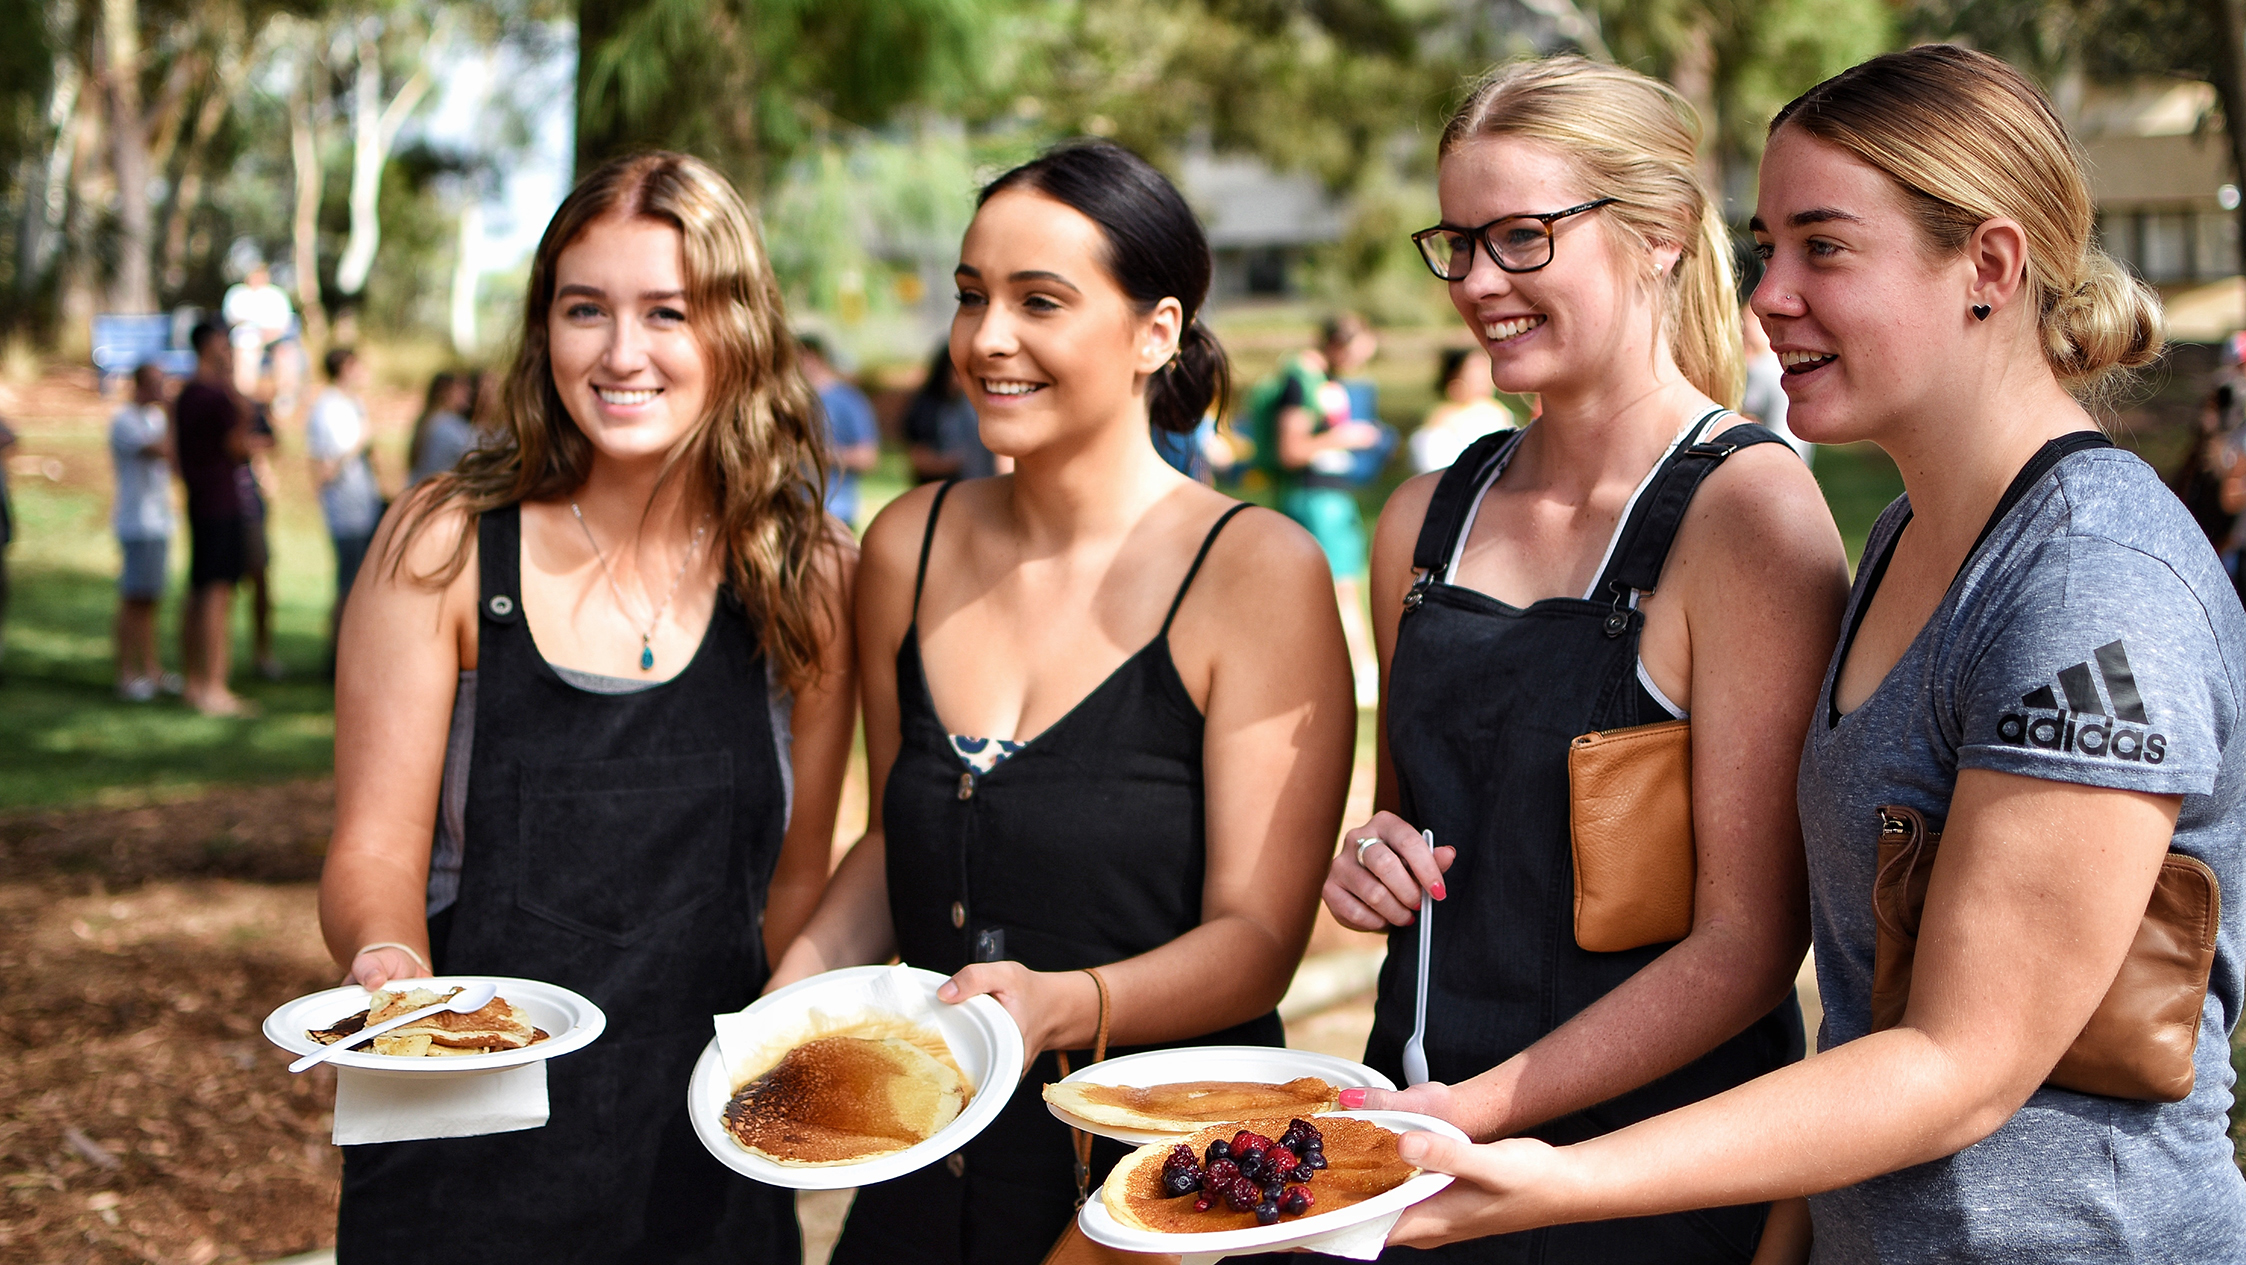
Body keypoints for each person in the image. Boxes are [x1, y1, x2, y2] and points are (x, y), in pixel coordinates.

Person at [1382, 45, 2246, 1264]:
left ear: (1986, 267)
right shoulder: (1906, 533)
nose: (1766, 296)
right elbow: (1857, 995)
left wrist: (1559, 1176)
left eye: (1822, 248)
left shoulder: (2088, 585)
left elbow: (1959, 1063)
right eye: (1766, 245)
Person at [770, 139, 1355, 1265]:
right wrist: (779, 1014)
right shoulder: (908, 541)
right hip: (920, 1172)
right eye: (970, 296)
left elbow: (1255, 940)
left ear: (1156, 331)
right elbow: (897, 839)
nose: (987, 337)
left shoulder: (1252, 571)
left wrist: (1060, 1003)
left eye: (1039, 300)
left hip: (1162, 1193)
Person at [1321, 55, 1848, 1263]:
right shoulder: (1420, 518)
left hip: (1634, 1185)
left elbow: (1750, 942)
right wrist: (1371, 859)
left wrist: (1474, 1113)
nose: (1475, 283)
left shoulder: (1746, 515)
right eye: (1454, 243)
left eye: (1518, 237)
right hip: (1413, 1156)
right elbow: (1412, 824)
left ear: (1659, 233)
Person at [319, 150, 857, 1260]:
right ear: (542, 328)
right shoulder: (446, 545)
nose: (620, 354)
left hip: (707, 1143)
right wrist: (389, 964)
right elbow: (374, 846)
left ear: (738, 332)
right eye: (584, 310)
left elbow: (800, 874)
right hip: (463, 1154)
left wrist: (791, 1050)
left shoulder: (803, 570)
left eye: (668, 311)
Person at [1267, 314, 1386, 706]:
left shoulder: (1322, 380)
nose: (1358, 366)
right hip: (1313, 498)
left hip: (1330, 496)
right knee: (1340, 589)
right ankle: (1361, 677)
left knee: (1342, 587)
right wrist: (1345, 437)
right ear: (1339, 344)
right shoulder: (1301, 381)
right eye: (1357, 355)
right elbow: (1292, 450)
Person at [173, 319, 254, 716]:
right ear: (211, 345)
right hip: (222, 501)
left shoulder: (185, 394)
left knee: (198, 589)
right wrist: (242, 408)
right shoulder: (216, 396)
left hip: (198, 499)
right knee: (218, 593)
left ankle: (193, 682)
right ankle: (215, 688)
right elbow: (239, 447)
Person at [306, 347, 385, 662]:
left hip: (365, 505)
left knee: (363, 582)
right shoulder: (328, 408)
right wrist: (362, 439)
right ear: (345, 368)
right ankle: (338, 655)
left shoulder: (353, 404)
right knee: (349, 582)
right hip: (346, 509)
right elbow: (327, 465)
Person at [110, 363, 176, 700]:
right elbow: (162, 451)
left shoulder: (156, 419)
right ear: (138, 384)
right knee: (132, 599)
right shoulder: (124, 420)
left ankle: (151, 670)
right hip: (136, 521)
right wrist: (173, 415)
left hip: (160, 520)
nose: (161, 389)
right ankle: (126, 674)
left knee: (151, 600)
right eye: (155, 383)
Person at [798, 333, 879, 525]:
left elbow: (868, 457)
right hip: (796, 508)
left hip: (836, 509)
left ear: (815, 357)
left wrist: (823, 456)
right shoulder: (792, 400)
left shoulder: (849, 400)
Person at [901, 342, 1000, 483]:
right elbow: (919, 460)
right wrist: (954, 461)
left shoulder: (974, 404)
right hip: (941, 489)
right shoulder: (927, 408)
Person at [1408, 347, 1514, 474]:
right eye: (1475, 371)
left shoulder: (1499, 412)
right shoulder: (1441, 422)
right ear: (1454, 377)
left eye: (1485, 369)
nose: (1483, 378)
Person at [1739, 299, 1813, 464]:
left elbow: (1742, 413)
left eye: (1748, 325)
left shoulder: (1760, 369)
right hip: (1796, 456)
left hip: (1770, 460)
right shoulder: (1783, 365)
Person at [222, 260, 301, 407]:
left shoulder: (276, 294)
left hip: (276, 339)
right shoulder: (237, 293)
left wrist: (269, 334)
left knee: (286, 354)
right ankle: (244, 397)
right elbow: (231, 318)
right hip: (246, 339)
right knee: (245, 353)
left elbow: (286, 322)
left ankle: (285, 399)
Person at [407, 371, 479, 484]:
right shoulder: (449, 427)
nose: (468, 392)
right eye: (461, 388)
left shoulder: (429, 420)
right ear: (446, 392)